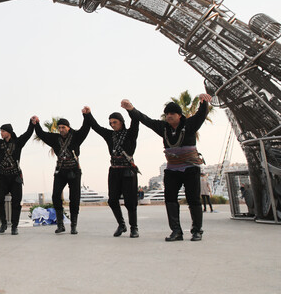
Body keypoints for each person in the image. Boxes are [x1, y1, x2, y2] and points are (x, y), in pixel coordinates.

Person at [122, 94, 212, 242]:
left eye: (172, 114)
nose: (169, 116)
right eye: (167, 114)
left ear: (179, 115)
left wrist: (203, 102)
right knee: (170, 198)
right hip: (172, 169)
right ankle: (176, 231)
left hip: (190, 168)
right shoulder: (163, 128)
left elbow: (201, 115)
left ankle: (197, 231)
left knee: (193, 199)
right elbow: (146, 120)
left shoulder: (189, 125)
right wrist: (131, 109)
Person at [82, 105, 140, 238]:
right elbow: (96, 127)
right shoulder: (110, 135)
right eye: (110, 123)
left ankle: (134, 228)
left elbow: (136, 121)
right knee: (112, 200)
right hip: (114, 171)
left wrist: (130, 109)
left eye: (115, 122)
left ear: (121, 122)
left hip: (128, 171)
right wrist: (88, 114)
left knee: (130, 202)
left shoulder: (131, 133)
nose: (112, 125)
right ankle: (121, 224)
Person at [33, 115, 90, 235]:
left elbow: (85, 128)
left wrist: (86, 115)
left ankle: (73, 225)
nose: (61, 129)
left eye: (63, 127)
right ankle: (60, 224)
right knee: (55, 196)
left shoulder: (76, 137)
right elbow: (41, 134)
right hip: (60, 171)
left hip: (74, 170)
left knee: (74, 198)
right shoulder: (55, 138)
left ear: (68, 128)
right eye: (59, 127)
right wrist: (36, 123)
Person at [0, 117, 34, 235]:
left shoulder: (18, 142)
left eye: (3, 131)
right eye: (0, 131)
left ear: (8, 132)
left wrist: (31, 122)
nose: (1, 133)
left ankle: (14, 226)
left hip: (15, 177)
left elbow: (28, 134)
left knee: (16, 202)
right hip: (2, 177)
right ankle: (3, 223)